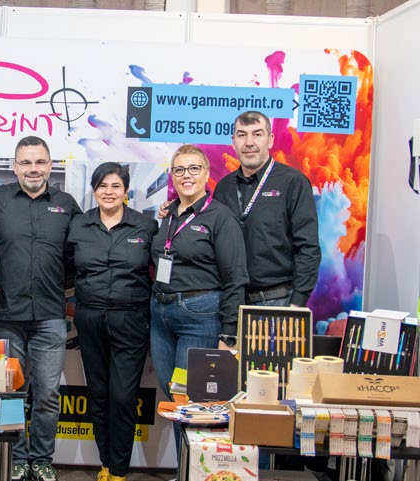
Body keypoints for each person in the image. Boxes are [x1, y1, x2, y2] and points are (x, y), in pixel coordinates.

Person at [0, 136, 81, 481]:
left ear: (50, 165)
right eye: (26, 162)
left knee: (48, 394)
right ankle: (16, 457)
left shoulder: (67, 204)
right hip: (5, 316)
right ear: (15, 167)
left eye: (39, 162)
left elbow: (78, 254)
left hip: (51, 316)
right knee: (10, 391)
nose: (33, 169)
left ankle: (41, 459)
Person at [150, 145, 248, 455]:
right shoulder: (168, 215)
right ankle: (185, 468)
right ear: (172, 176)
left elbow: (236, 277)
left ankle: (193, 470)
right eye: (179, 169)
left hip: (199, 317)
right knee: (174, 395)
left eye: (194, 168)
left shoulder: (220, 218)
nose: (186, 175)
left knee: (193, 400)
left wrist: (228, 333)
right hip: (161, 315)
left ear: (206, 174)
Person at [66, 162, 157, 481]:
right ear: (93, 190)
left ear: (126, 191)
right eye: (102, 186)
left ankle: (119, 470)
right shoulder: (79, 225)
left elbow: (160, 269)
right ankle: (106, 463)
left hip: (130, 319)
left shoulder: (145, 226)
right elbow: (67, 266)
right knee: (98, 394)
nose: (109, 192)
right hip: (89, 318)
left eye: (116, 186)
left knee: (123, 397)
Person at [215, 110, 320, 307]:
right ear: (233, 142)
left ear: (270, 140)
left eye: (257, 134)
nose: (249, 142)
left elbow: (308, 246)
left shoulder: (293, 182)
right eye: (242, 135)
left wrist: (297, 303)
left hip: (278, 300)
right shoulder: (224, 187)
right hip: (231, 301)